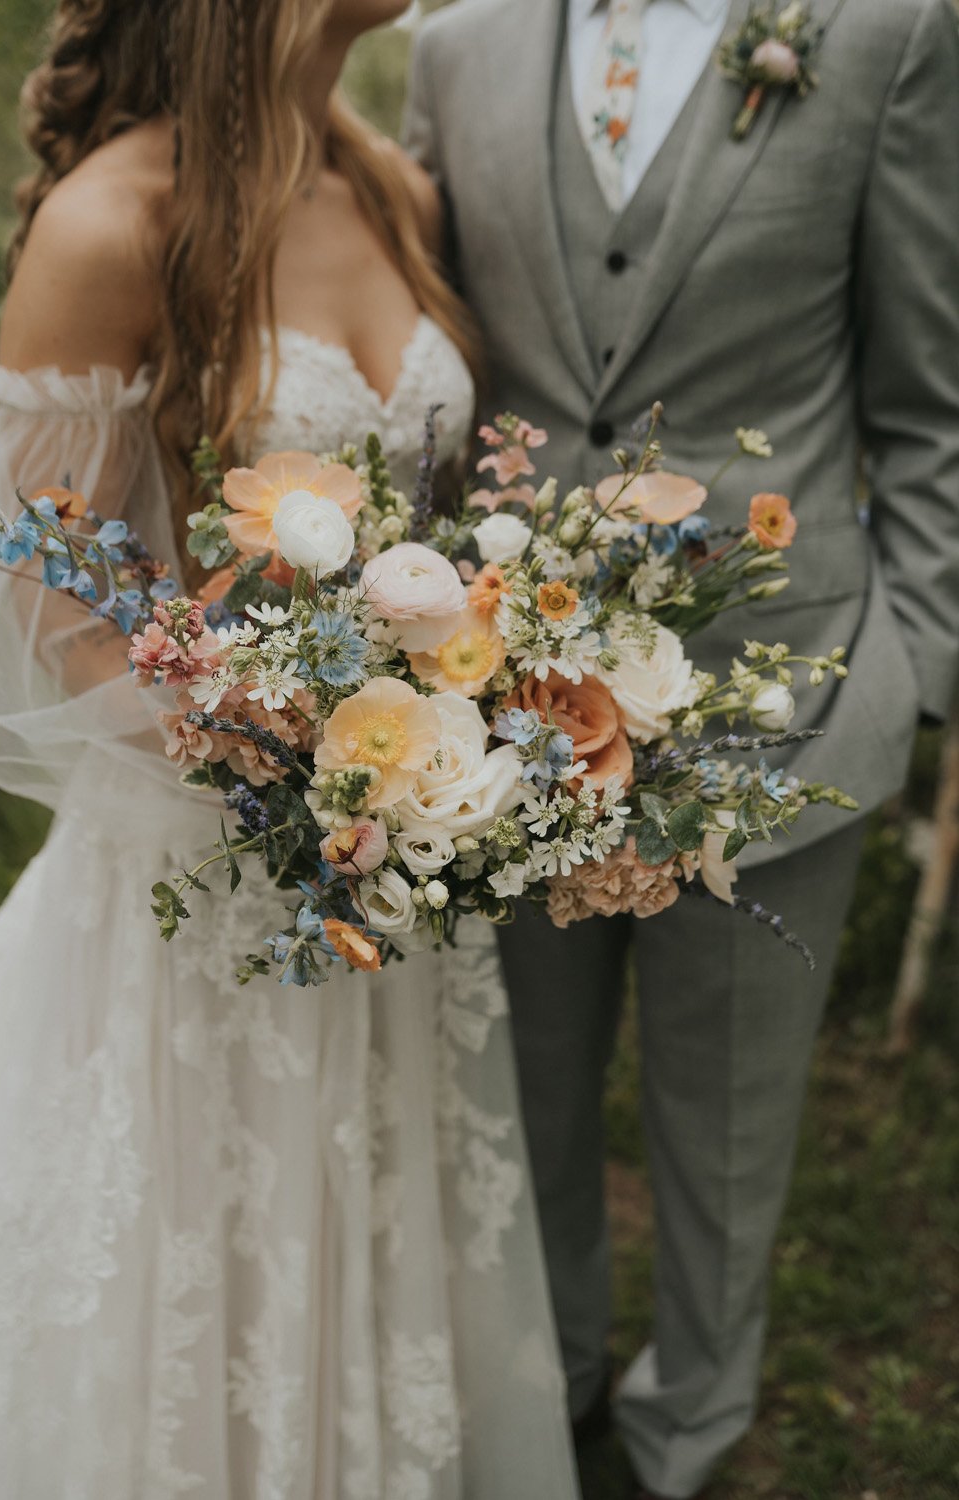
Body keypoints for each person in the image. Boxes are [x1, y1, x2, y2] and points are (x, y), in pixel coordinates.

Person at [0, 3, 580, 1496]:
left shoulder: (391, 187)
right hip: (210, 869)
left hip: (399, 849)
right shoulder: (118, 222)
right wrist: (285, 771)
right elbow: (45, 589)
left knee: (370, 1211)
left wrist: (456, 742)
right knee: (195, 1249)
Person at [404, 0, 959, 1496]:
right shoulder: (456, 50)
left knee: (727, 1123)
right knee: (519, 1094)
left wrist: (914, 666)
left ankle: (691, 1430)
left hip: (787, 698)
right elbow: (430, 357)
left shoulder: (890, 33)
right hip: (503, 704)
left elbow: (930, 404)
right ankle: (554, 1384)